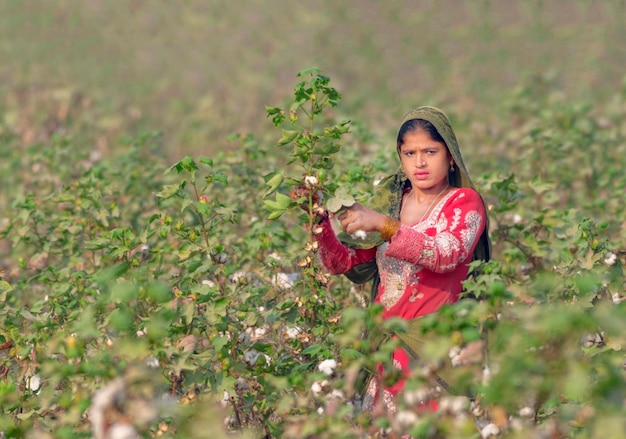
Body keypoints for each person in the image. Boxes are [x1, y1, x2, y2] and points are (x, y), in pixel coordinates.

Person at [310, 106, 491, 413]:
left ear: (450, 157)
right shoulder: (392, 203)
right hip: (386, 351)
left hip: (434, 352)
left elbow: (445, 254)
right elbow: (344, 262)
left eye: (430, 152)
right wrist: (318, 221)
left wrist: (383, 224)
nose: (419, 162)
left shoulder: (463, 202)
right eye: (410, 153)